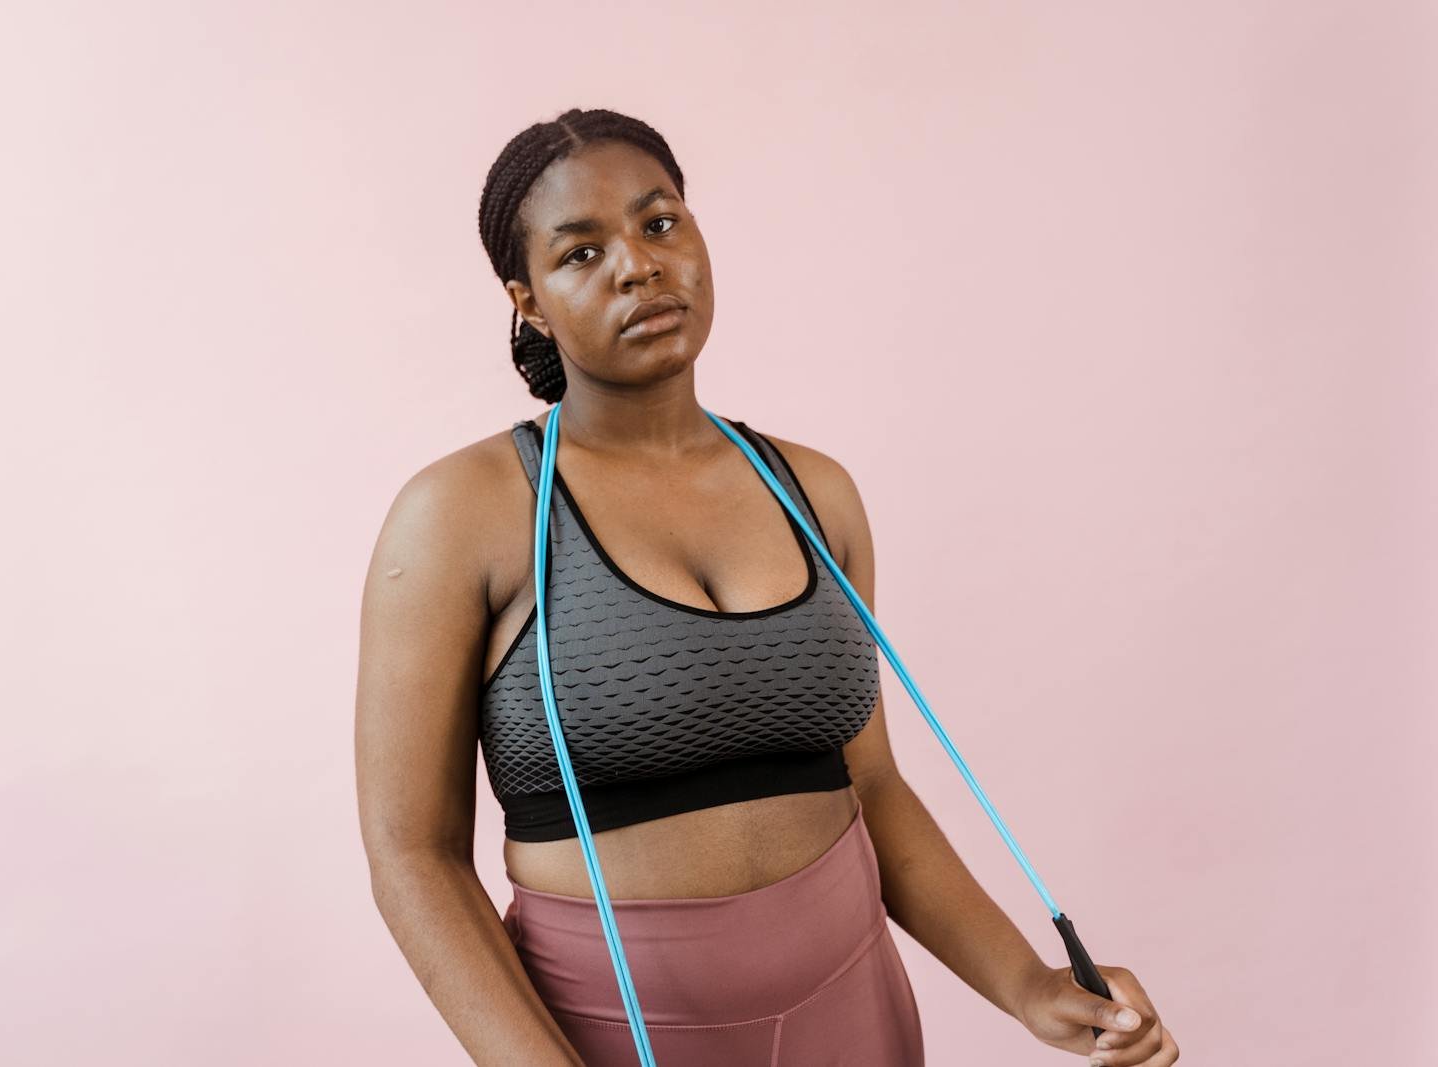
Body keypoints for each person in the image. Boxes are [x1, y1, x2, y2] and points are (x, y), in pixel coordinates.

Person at [355, 107, 1179, 1066]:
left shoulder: (815, 492)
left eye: (660, 224)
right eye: (580, 253)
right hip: (605, 1036)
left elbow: (871, 783)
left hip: (856, 1011)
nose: (638, 265)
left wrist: (1029, 986)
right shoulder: (462, 515)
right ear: (528, 299)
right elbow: (412, 857)